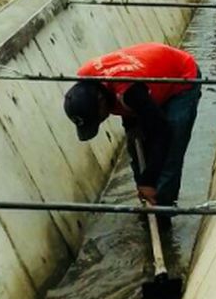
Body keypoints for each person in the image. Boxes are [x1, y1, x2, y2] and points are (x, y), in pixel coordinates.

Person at [63, 43, 202, 207]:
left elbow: (162, 131)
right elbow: (124, 101)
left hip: (180, 76)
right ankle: (146, 202)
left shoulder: (129, 91)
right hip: (145, 81)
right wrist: (132, 128)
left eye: (98, 118)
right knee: (137, 146)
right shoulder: (88, 80)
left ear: (101, 102)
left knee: (170, 151)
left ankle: (162, 211)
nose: (101, 121)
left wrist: (149, 180)